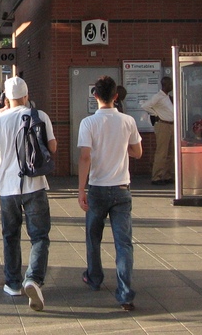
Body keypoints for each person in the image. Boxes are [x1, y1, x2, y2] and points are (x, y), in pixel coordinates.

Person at [0, 76, 57, 312]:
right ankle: (33, 279)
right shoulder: (40, 116)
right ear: (26, 95)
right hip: (35, 185)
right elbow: (53, 147)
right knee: (39, 236)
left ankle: (13, 284)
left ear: (6, 98)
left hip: (7, 188)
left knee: (11, 236)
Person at [77, 76, 143, 311]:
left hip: (97, 189)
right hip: (122, 189)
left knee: (93, 238)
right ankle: (125, 293)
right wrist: (121, 144)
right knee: (123, 243)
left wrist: (80, 189)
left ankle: (94, 278)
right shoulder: (128, 121)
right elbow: (138, 152)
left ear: (95, 95)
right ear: (116, 96)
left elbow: (85, 157)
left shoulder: (88, 124)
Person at [141, 76, 174, 185]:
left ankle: (167, 175)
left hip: (172, 124)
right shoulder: (158, 96)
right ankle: (157, 177)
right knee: (162, 152)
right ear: (165, 84)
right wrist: (155, 114)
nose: (172, 85)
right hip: (163, 124)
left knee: (170, 152)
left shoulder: (168, 97)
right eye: (170, 84)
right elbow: (145, 106)